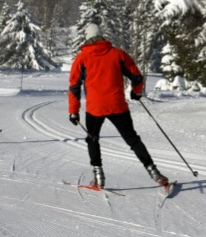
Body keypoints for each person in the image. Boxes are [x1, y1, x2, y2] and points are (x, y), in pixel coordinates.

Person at [68, 23, 168, 189]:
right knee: (132, 139)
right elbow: (136, 76)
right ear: (102, 36)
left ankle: (98, 177)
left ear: (87, 38)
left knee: (92, 139)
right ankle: (154, 172)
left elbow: (74, 86)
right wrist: (136, 93)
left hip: (95, 108)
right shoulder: (118, 54)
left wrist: (73, 111)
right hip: (117, 105)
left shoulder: (82, 58)